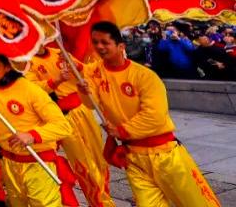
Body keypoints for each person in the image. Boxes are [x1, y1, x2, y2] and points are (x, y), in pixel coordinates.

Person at [80, 21, 221, 206]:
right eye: (95, 42)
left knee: (196, 202)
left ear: (121, 46)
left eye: (105, 42)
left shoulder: (145, 76)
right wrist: (83, 91)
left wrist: (122, 131)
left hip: (164, 154)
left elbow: (154, 116)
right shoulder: (94, 72)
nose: (99, 47)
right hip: (133, 157)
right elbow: (90, 103)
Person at [0, 50, 74, 207]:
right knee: (16, 203)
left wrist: (32, 135)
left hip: (37, 162)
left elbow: (63, 126)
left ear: (8, 66)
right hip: (9, 161)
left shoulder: (30, 90)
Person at [26, 44, 114, 207]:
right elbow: (33, 90)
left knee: (99, 159)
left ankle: (103, 200)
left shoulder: (59, 52)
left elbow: (87, 72)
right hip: (64, 118)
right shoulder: (27, 63)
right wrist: (57, 80)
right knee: (84, 165)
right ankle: (100, 204)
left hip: (83, 110)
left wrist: (76, 65)